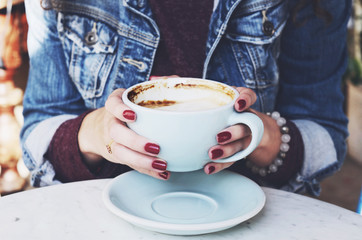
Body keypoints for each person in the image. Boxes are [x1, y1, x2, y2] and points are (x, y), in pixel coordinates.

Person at [20, 0, 351, 196]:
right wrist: (97, 132)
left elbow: (325, 132)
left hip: (251, 219)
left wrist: (265, 137)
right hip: (102, 219)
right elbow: (38, 129)